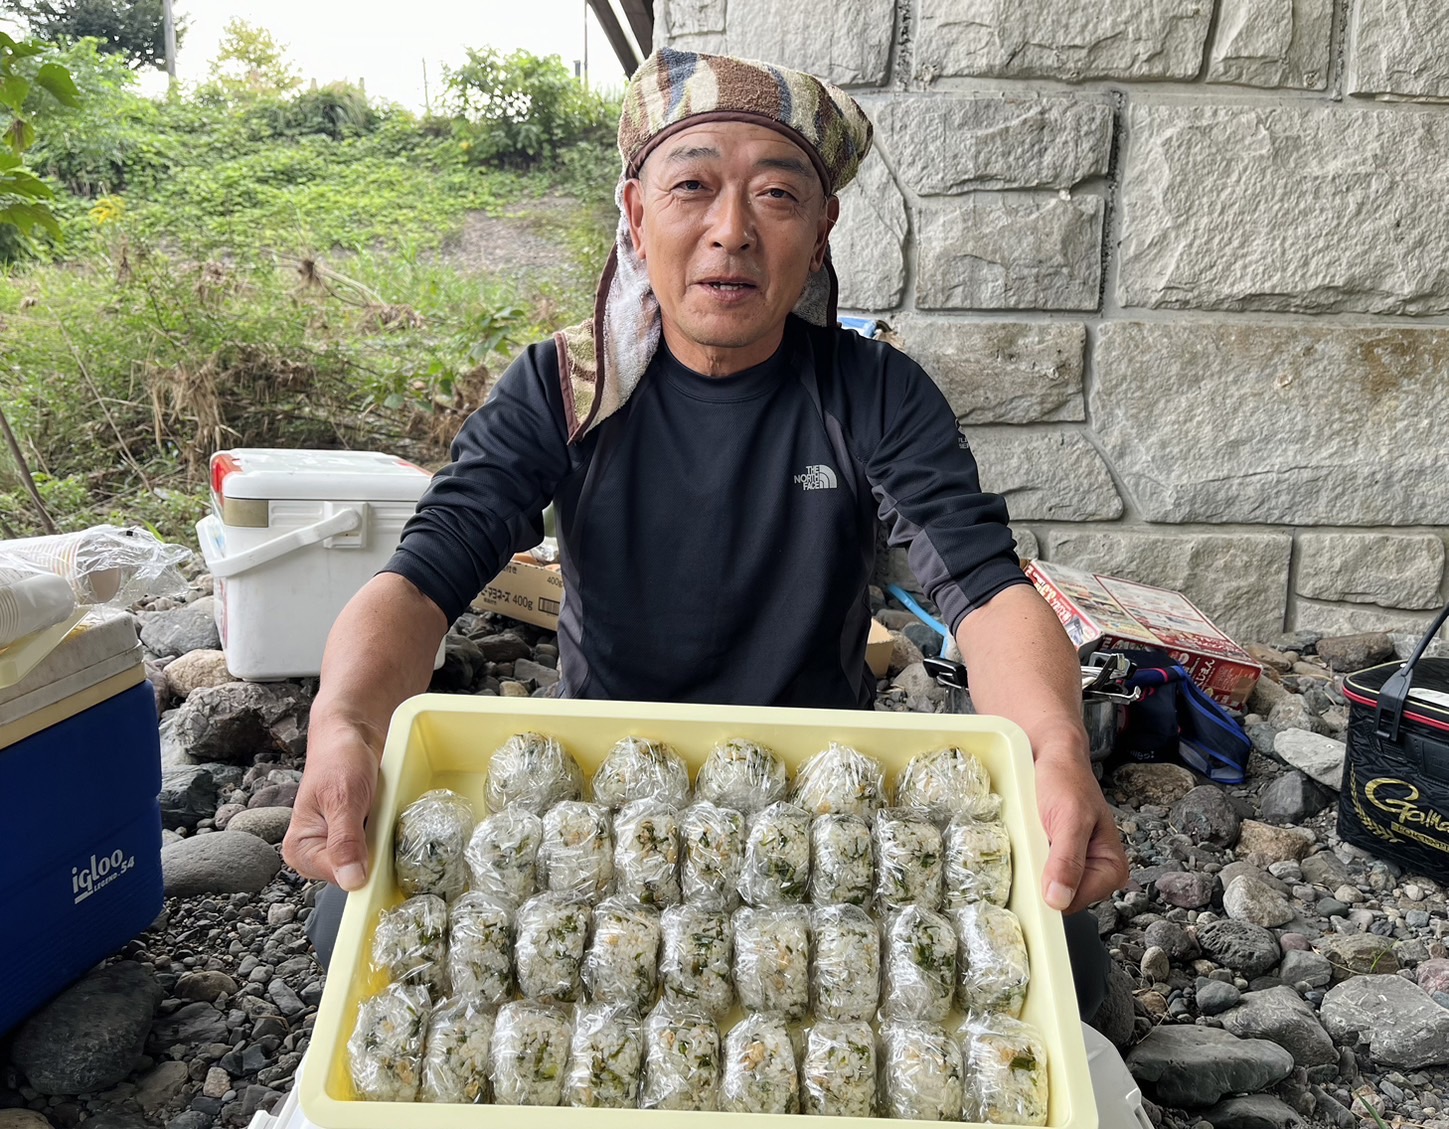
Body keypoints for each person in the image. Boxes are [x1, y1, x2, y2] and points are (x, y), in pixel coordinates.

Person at [286, 48, 1128, 1019]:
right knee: (347, 914)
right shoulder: (564, 388)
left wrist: (1055, 746)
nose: (731, 230)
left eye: (777, 195)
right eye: (692, 187)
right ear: (636, 214)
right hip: (602, 790)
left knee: (1062, 944)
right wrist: (346, 723)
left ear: (821, 230)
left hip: (821, 796)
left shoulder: (872, 392)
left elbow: (983, 587)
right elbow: (425, 573)